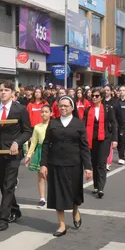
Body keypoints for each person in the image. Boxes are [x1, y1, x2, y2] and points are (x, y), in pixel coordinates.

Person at [40, 96, 92, 236]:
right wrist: (43, 164)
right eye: (60, 106)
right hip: (55, 163)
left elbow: (84, 146)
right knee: (57, 194)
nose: (62, 108)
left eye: (66, 106)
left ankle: (75, 210)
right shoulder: (53, 123)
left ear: (72, 107)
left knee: (74, 192)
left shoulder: (78, 124)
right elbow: (46, 144)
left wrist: (88, 167)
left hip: (74, 163)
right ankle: (62, 225)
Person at [0, 81, 32, 231]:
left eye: (6, 90)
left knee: (9, 185)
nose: (3, 92)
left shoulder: (21, 109)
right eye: (1, 90)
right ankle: (15, 209)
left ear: (12, 92)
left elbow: (27, 131)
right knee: (3, 185)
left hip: (13, 153)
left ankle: (3, 219)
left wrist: (17, 143)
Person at [84, 88, 117, 199]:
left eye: (97, 96)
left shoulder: (108, 109)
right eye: (93, 95)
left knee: (101, 163)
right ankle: (96, 186)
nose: (94, 97)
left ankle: (101, 188)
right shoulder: (88, 110)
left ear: (101, 97)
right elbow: (83, 126)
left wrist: (115, 139)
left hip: (104, 139)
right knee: (94, 163)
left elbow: (113, 124)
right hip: (91, 139)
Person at [24, 104, 52, 208]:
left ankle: (53, 197)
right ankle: (42, 198)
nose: (44, 114)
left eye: (46, 112)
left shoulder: (54, 125)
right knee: (41, 177)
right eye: (42, 112)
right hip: (40, 151)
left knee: (51, 176)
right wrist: (29, 155)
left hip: (51, 151)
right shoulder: (37, 127)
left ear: (51, 113)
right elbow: (34, 142)